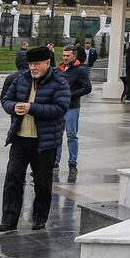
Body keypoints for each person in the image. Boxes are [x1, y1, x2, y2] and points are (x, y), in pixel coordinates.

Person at [0, 46, 70, 232]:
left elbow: (60, 108)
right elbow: (6, 99)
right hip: (20, 139)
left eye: (37, 63)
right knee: (12, 178)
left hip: (44, 141)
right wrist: (13, 107)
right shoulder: (21, 78)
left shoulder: (59, 80)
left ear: (47, 63)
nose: (32, 67)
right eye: (30, 64)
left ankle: (39, 218)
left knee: (42, 183)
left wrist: (32, 108)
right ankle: (9, 220)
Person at [53, 46, 91, 174]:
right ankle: (54, 162)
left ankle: (72, 162)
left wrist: (70, 94)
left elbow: (87, 88)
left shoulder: (80, 70)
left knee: (72, 135)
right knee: (57, 135)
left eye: (67, 56)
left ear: (74, 56)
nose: (64, 58)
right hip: (58, 108)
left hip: (72, 107)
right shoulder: (59, 69)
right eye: (63, 55)